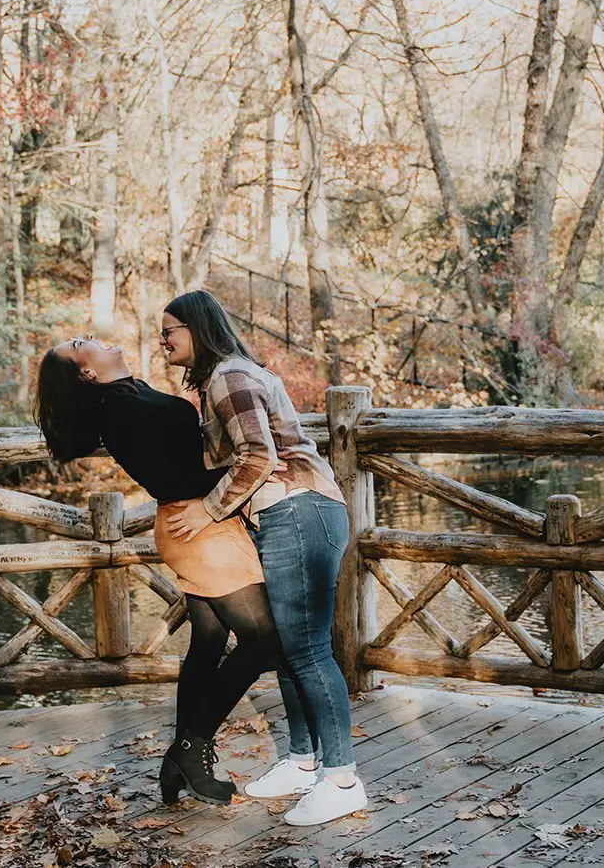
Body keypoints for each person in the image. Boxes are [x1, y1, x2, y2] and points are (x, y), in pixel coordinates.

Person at [35, 335, 281, 807]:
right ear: (86, 372)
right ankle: (190, 749)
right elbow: (175, 471)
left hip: (196, 523)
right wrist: (220, 494)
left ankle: (181, 765)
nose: (94, 337)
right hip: (199, 528)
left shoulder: (130, 394)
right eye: (81, 343)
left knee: (208, 643)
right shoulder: (119, 408)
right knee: (264, 639)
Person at [159, 290, 369, 826]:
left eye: (170, 329)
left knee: (307, 649)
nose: (162, 339)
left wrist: (207, 512)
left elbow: (259, 455)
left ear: (198, 330)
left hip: (299, 509)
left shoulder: (229, 376)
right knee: (284, 644)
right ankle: (302, 761)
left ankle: (341, 779)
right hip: (284, 514)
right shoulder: (221, 379)